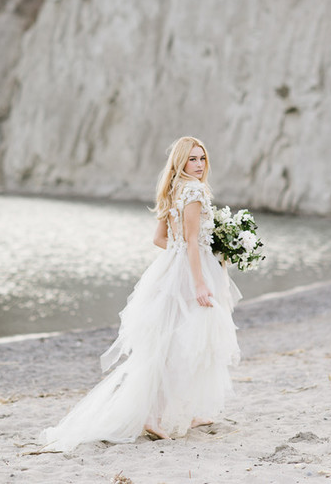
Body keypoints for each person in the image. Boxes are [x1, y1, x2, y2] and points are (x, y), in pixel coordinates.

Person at [39, 136, 241, 452]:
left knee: (173, 340)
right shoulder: (195, 190)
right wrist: (200, 278)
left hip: (170, 270)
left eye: (202, 159)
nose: (199, 165)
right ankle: (158, 416)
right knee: (190, 342)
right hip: (189, 274)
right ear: (181, 161)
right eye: (192, 159)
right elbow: (189, 241)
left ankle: (186, 414)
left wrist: (196, 248)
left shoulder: (172, 189)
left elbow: (161, 239)